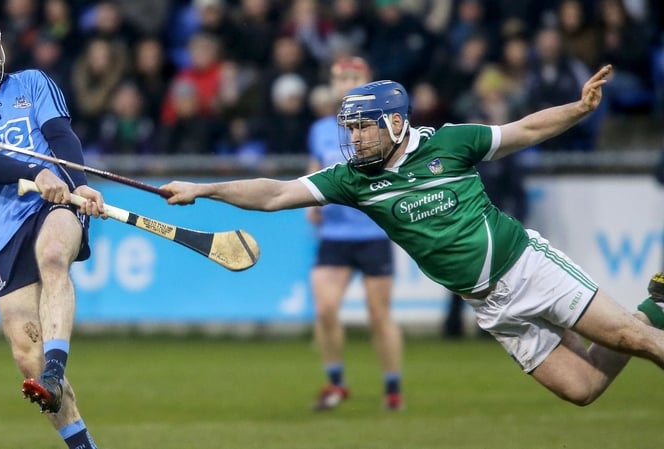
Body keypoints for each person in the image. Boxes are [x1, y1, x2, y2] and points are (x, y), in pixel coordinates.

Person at [161, 64, 664, 407]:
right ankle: (655, 306)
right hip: (489, 305)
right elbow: (274, 194)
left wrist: (578, 109)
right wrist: (204, 189)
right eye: (350, 129)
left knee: (629, 339)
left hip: (527, 266)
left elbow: (524, 131)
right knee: (584, 388)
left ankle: (646, 322)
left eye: (363, 128)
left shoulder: (450, 142)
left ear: (396, 122)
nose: (354, 138)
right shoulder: (353, 180)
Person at [0, 12, 105, 449]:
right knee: (26, 356)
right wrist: (33, 171)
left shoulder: (32, 83)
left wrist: (78, 184)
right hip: (7, 231)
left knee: (52, 258)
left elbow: (60, 135)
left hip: (58, 206)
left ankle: (57, 365)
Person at [306, 56, 404, 411]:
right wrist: (310, 204)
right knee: (325, 308)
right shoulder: (320, 129)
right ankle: (335, 384)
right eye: (338, 78)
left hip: (374, 231)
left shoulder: (384, 125)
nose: (344, 83)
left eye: (352, 76)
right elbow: (315, 169)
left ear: (367, 80)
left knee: (379, 315)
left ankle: (393, 389)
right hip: (335, 235)